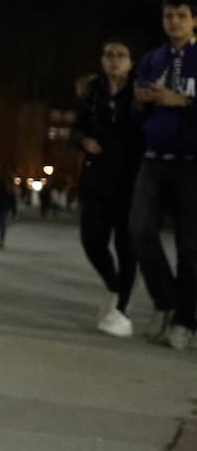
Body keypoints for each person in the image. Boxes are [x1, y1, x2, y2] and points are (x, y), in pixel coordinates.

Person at [128, 0, 197, 349]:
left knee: (189, 246)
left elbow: (183, 100)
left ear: (194, 21)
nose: (174, 22)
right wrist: (138, 102)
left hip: (191, 163)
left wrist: (183, 101)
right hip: (154, 158)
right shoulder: (153, 59)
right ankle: (165, 301)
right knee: (138, 229)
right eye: (169, 16)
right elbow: (135, 109)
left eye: (181, 16)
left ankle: (186, 321)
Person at [70, 39, 143, 336]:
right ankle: (114, 287)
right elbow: (76, 128)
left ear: (131, 62)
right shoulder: (92, 94)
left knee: (127, 246)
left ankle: (121, 310)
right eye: (109, 55)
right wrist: (82, 141)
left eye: (121, 55)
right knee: (91, 238)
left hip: (129, 180)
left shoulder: (139, 94)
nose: (114, 60)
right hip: (96, 177)